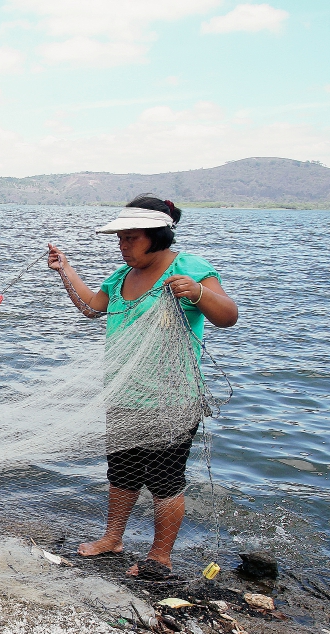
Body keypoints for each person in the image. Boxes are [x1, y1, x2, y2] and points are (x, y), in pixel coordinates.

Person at [46, 195, 238, 579]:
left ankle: (159, 557)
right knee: (122, 473)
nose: (123, 246)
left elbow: (228, 316)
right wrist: (64, 269)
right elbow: (93, 308)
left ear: (157, 236)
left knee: (165, 479)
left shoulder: (190, 268)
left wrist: (199, 293)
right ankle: (112, 539)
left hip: (173, 399)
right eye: (120, 239)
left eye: (131, 238)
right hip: (123, 394)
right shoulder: (120, 276)